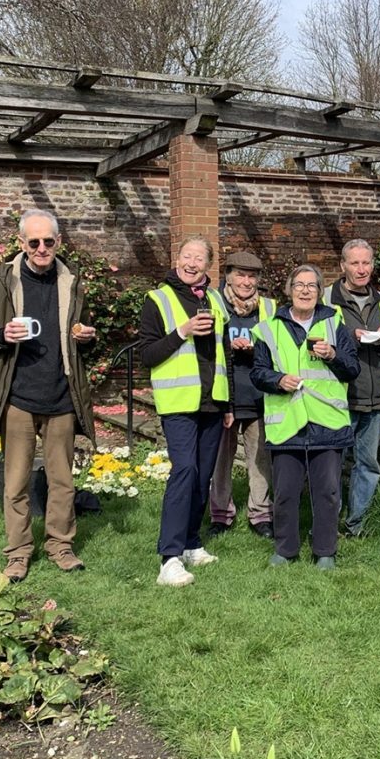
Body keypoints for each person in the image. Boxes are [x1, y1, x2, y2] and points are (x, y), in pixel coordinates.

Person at [0, 209, 97, 583]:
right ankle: (18, 553)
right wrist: (1, 336)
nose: (42, 248)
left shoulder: (72, 282)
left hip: (61, 396)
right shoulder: (2, 283)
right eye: (34, 242)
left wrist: (88, 338)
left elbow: (83, 340)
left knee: (63, 482)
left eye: (49, 241)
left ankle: (60, 545)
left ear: (59, 242)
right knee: (16, 482)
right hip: (17, 399)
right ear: (21, 243)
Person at [251, 264, 360, 569]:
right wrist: (277, 380)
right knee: (285, 493)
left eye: (312, 286)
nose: (305, 291)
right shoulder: (268, 328)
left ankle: (325, 551)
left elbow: (353, 368)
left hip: (327, 421)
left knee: (327, 492)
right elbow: (258, 373)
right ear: (289, 289)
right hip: (287, 423)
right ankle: (285, 550)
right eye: (299, 285)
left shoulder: (335, 324)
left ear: (320, 292)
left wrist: (333, 355)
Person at [138, 235, 232, 587]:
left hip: (212, 402)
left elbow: (225, 356)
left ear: (209, 266)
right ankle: (170, 557)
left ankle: (192, 542)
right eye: (186, 256)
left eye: (199, 259)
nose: (191, 263)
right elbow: (147, 354)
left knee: (203, 474)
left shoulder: (214, 300)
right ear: (176, 258)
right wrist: (182, 331)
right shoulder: (157, 299)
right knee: (185, 471)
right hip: (178, 404)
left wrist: (228, 404)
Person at [323, 239, 380, 537]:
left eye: (366, 262)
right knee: (332, 463)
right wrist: (349, 337)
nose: (361, 269)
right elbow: (314, 342)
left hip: (376, 394)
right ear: (343, 266)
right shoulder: (326, 299)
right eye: (354, 263)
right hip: (339, 394)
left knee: (367, 464)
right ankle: (328, 524)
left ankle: (355, 525)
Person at [208, 252, 276, 539]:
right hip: (224, 395)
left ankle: (260, 514)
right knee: (220, 459)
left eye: (252, 276)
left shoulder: (269, 308)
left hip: (258, 395)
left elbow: (280, 349)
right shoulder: (215, 304)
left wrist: (256, 349)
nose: (246, 282)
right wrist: (228, 348)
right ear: (228, 275)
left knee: (260, 459)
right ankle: (220, 514)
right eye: (240, 275)